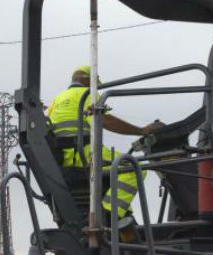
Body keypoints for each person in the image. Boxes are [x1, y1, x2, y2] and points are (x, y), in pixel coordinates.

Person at [47, 65, 163, 221]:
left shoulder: (56, 101)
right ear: (87, 79)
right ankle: (108, 216)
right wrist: (141, 131)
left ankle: (122, 217)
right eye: (96, 82)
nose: (97, 87)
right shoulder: (87, 94)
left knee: (118, 180)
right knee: (133, 167)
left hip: (65, 159)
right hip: (86, 157)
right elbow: (105, 120)